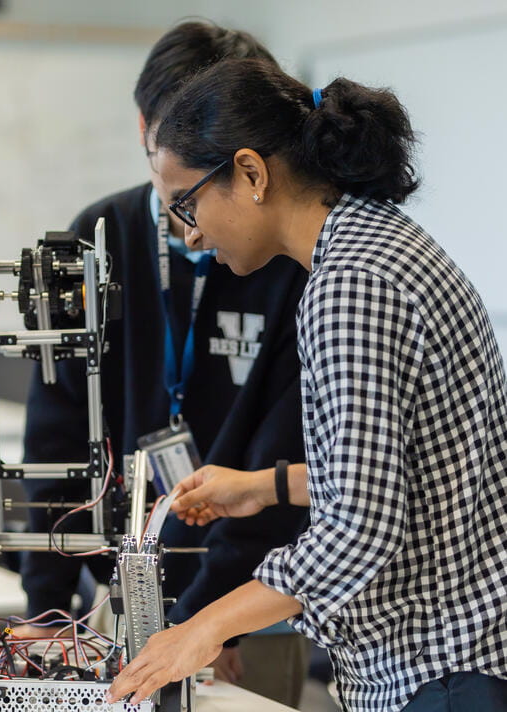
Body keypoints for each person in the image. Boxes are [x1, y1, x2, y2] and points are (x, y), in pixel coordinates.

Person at [106, 57, 507, 712]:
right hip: (456, 660)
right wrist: (264, 487)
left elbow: (358, 531)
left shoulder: (350, 285)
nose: (192, 234)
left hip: (440, 671)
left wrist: (202, 627)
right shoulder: (375, 243)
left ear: (251, 173)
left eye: (187, 202)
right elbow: (407, 474)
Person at [19, 22, 310, 706]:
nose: (195, 227)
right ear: (146, 127)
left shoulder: (291, 261)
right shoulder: (94, 238)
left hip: (253, 607)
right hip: (107, 600)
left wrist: (211, 626)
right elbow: (52, 432)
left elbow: (289, 454)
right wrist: (46, 601)